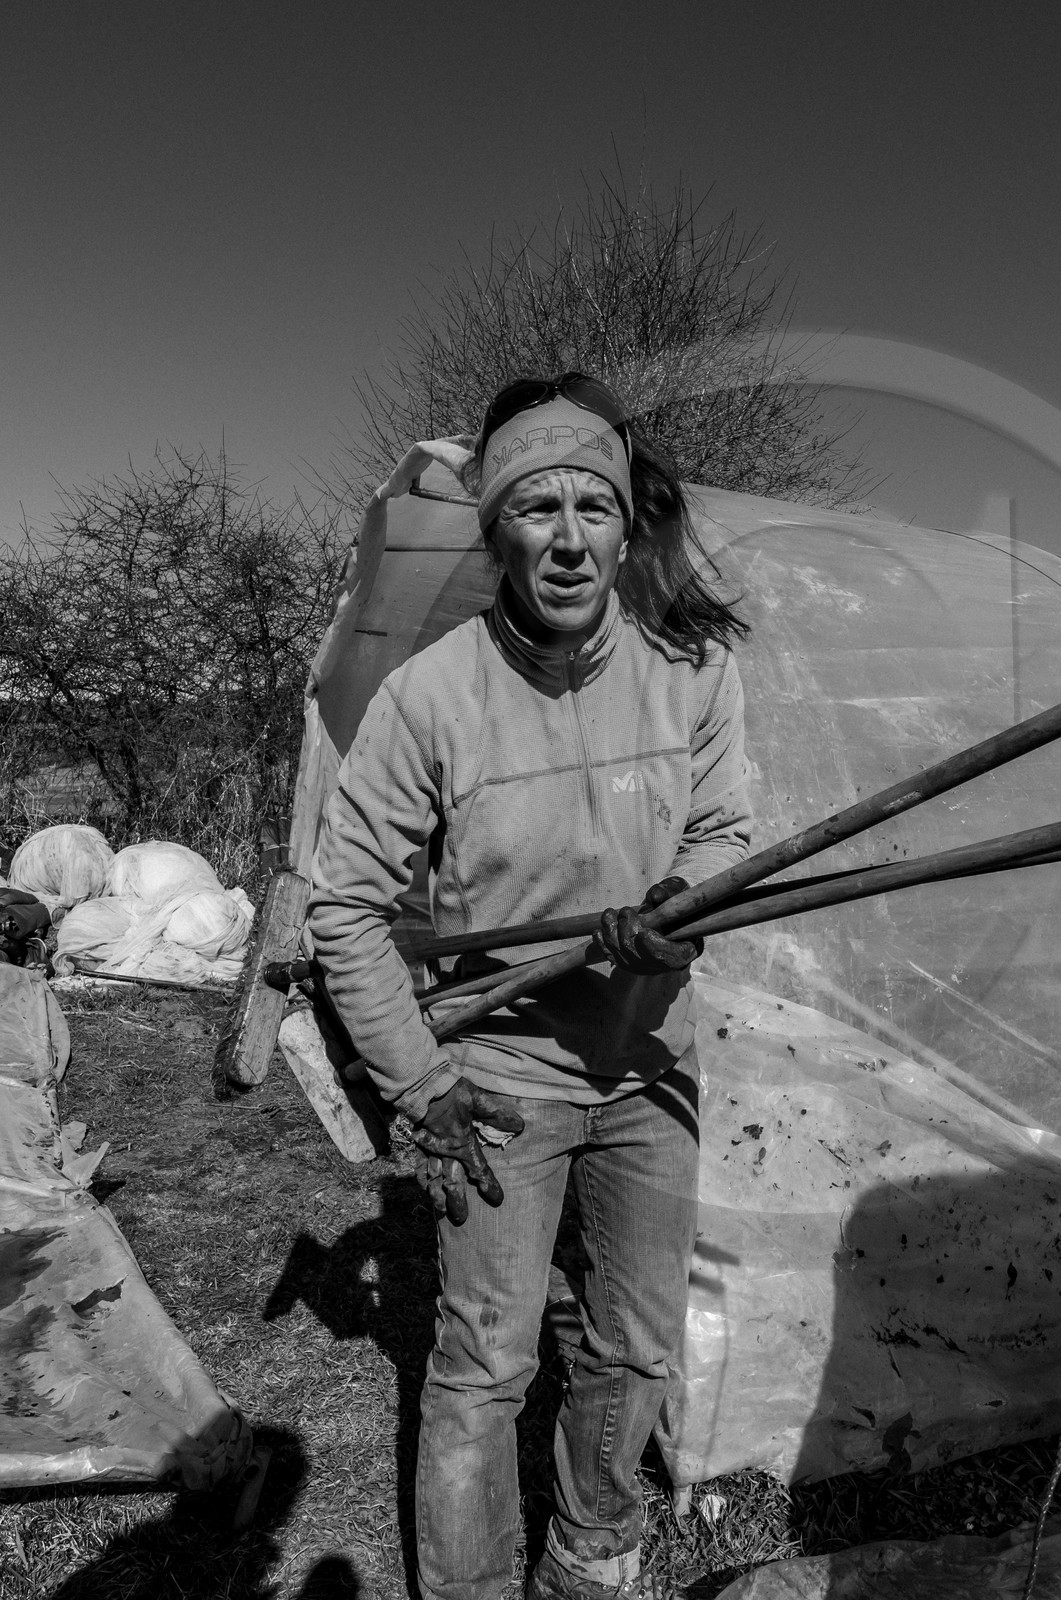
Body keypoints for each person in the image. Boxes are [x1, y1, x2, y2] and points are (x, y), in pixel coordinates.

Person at [307, 373, 752, 1600]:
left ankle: (590, 1554)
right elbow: (344, 905)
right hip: (496, 1074)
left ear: (624, 523)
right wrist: (422, 1081)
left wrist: (686, 914)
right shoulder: (433, 695)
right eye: (536, 507)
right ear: (497, 527)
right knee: (484, 1361)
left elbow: (721, 830)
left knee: (632, 1344)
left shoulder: (690, 670)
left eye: (591, 508)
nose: (566, 538)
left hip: (649, 1059)